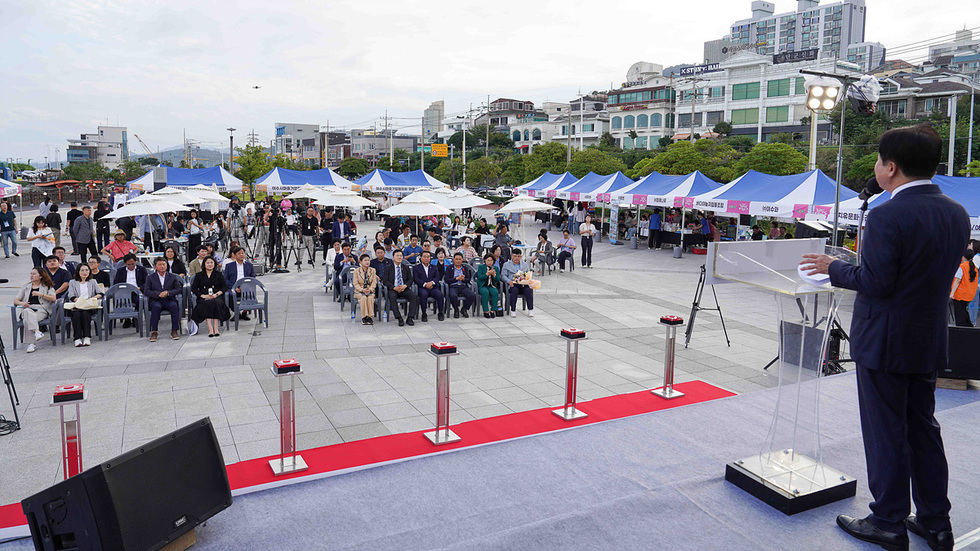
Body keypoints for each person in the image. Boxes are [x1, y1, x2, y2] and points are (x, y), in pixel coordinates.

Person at [800, 125, 969, 551]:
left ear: (890, 168)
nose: (876, 167)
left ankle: (888, 521)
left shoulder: (885, 214)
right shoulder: (956, 212)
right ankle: (936, 521)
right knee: (923, 428)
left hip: (885, 341)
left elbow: (876, 280)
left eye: (878, 160)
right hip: (928, 338)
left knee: (886, 432)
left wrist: (833, 266)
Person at [14, 267, 57, 353]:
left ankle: (31, 344)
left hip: (41, 309)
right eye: (31, 273)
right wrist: (22, 303)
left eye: (34, 274)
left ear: (40, 276)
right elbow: (15, 300)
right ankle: (37, 331)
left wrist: (41, 294)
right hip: (28, 308)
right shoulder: (26, 286)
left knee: (27, 319)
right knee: (26, 312)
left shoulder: (47, 286)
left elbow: (53, 298)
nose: (31, 276)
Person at [144, 257, 184, 342]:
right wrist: (158, 294)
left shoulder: (172, 276)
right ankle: (154, 331)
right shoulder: (150, 277)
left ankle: (174, 330)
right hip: (156, 300)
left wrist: (168, 292)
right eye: (159, 265)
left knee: (174, 306)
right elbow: (146, 290)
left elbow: (179, 289)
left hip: (169, 299)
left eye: (164, 264)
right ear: (155, 266)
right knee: (156, 307)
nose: (162, 266)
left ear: (166, 266)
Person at [191, 256, 230, 338]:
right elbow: (194, 288)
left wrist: (216, 294)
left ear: (214, 264)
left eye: (211, 263)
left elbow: (225, 287)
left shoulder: (219, 274)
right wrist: (203, 295)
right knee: (207, 303)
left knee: (215, 302)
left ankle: (216, 328)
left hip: (217, 295)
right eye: (207, 263)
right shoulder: (199, 275)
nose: (210, 264)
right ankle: (210, 328)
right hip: (204, 296)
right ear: (204, 264)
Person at [67, 264, 103, 347]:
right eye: (82, 270)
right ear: (78, 272)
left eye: (87, 270)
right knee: (76, 314)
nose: (85, 272)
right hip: (77, 305)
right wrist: (80, 301)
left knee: (85, 314)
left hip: (89, 305)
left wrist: (92, 298)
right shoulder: (72, 282)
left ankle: (87, 336)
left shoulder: (92, 281)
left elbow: (100, 293)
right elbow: (71, 296)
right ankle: (77, 338)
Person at [382, 249, 418, 326]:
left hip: (404, 288)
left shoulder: (405, 267)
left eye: (401, 256)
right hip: (394, 289)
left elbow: (410, 279)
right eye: (397, 256)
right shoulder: (388, 267)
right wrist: (394, 287)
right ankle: (399, 318)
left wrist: (405, 286)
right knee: (392, 297)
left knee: (414, 296)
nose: (399, 257)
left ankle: (410, 318)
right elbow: (385, 280)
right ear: (393, 257)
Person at [223, 245, 255, 321]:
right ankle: (237, 312)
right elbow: (225, 279)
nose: (241, 255)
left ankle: (244, 312)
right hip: (233, 287)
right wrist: (234, 287)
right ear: (234, 255)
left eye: (242, 253)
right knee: (229, 295)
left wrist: (243, 287)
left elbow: (253, 277)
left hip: (245, 287)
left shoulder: (249, 265)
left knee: (249, 294)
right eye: (239, 253)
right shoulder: (229, 266)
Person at [501, 249, 535, 317]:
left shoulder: (525, 265)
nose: (517, 258)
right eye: (515, 256)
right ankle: (513, 310)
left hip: (523, 284)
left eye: (519, 256)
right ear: (512, 256)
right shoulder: (506, 265)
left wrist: (527, 280)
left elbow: (528, 274)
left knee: (529, 290)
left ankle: (530, 309)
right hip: (513, 284)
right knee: (514, 290)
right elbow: (503, 275)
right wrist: (509, 281)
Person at [413, 250, 445, 322]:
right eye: (424, 257)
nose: (426, 258)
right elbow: (416, 279)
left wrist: (432, 283)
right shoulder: (416, 268)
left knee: (440, 294)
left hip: (432, 287)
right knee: (423, 295)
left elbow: (437, 277)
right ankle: (424, 314)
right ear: (421, 258)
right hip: (422, 287)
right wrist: (425, 284)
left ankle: (440, 312)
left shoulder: (434, 267)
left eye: (428, 257)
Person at [950, 249, 977, 327]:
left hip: (960, 294)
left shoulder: (962, 267)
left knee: (960, 314)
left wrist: (952, 293)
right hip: (969, 293)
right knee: (964, 311)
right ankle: (969, 326)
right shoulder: (973, 267)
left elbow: (957, 280)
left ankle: (963, 329)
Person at [444, 252, 475, 318]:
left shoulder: (465, 268)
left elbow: (468, 279)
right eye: (456, 259)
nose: (458, 261)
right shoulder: (449, 268)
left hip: (463, 286)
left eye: (459, 259)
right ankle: (456, 310)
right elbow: (447, 279)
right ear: (453, 260)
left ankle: (464, 309)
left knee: (472, 295)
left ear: (462, 260)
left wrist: (463, 279)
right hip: (453, 286)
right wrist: (456, 278)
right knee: (453, 295)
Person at [352, 253, 378, 325]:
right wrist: (362, 290)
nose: (367, 262)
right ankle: (364, 317)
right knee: (363, 298)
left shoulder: (373, 270)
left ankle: (370, 317)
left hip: (369, 290)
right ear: (360, 262)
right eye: (365, 260)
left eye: (368, 260)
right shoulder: (356, 271)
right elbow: (355, 283)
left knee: (370, 297)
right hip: (359, 291)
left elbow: (374, 282)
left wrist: (370, 289)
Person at [477, 253, 502, 318]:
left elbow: (497, 280)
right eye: (488, 260)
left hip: (491, 285)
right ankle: (485, 311)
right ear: (485, 260)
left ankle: (493, 310)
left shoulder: (495, 268)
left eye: (491, 260)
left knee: (495, 292)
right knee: (485, 293)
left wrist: (494, 275)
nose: (489, 262)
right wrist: (486, 274)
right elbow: (480, 277)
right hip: (483, 285)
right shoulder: (481, 267)